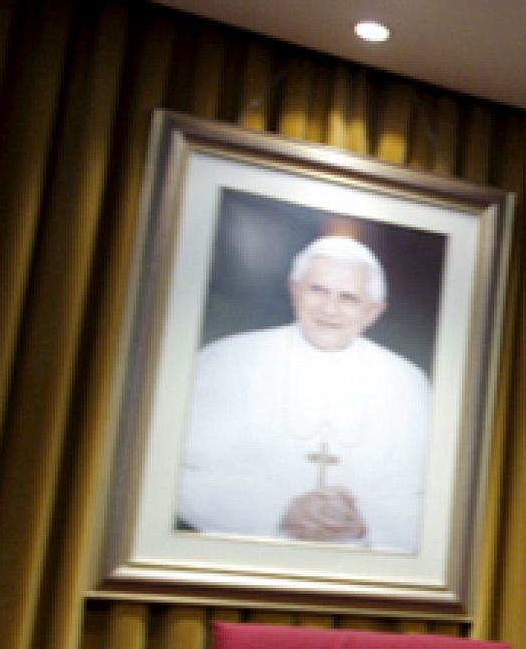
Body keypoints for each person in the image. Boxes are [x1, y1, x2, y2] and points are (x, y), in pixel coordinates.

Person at [177, 235, 431, 552]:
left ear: (373, 312)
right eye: (318, 290)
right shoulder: (226, 359)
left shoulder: (409, 384)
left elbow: (435, 503)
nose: (330, 309)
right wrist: (280, 511)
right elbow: (175, 476)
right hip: (244, 564)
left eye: (349, 298)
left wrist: (368, 521)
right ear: (294, 290)